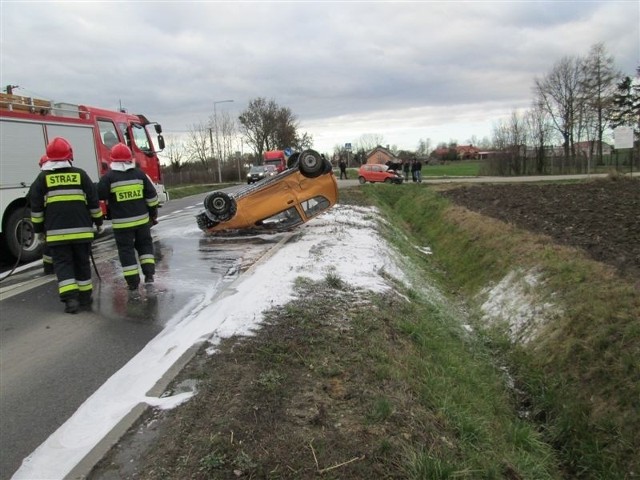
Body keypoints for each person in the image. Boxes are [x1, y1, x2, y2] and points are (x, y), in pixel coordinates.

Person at [29, 137, 104, 313]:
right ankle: (85, 298)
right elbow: (93, 201)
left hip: (56, 234)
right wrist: (99, 222)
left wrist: (39, 230)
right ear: (69, 154)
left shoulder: (42, 179)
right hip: (82, 232)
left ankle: (71, 301)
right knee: (82, 263)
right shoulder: (80, 174)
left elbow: (36, 207)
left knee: (63, 264)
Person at [98, 143, 159, 298]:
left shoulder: (109, 178)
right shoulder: (140, 175)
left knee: (126, 252)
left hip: (122, 225)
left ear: (113, 160)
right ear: (130, 159)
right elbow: (152, 198)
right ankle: (149, 276)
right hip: (142, 222)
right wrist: (153, 215)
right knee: (145, 248)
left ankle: (132, 283)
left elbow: (99, 195)